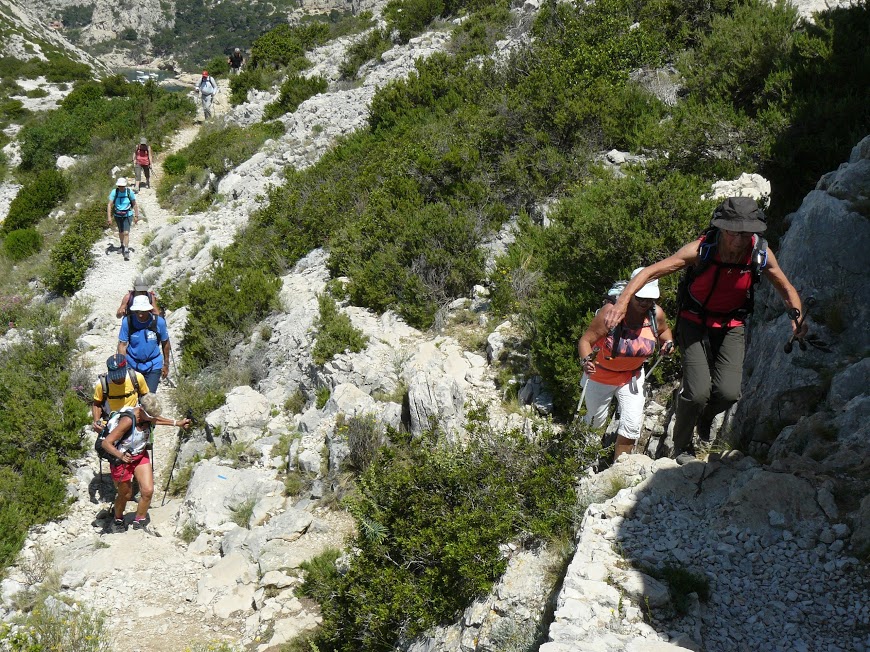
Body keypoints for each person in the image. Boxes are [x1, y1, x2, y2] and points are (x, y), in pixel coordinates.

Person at [605, 197, 807, 461]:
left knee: (729, 393)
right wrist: (622, 301)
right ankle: (682, 445)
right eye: (732, 233)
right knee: (697, 392)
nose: (737, 241)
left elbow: (785, 286)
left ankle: (706, 417)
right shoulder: (702, 250)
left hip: (732, 324)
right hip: (694, 322)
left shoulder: (760, 253)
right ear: (722, 229)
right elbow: (650, 272)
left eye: (745, 234)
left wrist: (797, 316)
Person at [578, 269, 674, 460]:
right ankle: (582, 464)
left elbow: (664, 332)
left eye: (650, 299)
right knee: (595, 423)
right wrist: (586, 361)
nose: (645, 303)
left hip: (632, 377)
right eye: (641, 298)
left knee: (631, 425)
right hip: (600, 377)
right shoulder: (610, 314)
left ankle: (619, 469)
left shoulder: (655, 315)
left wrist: (668, 344)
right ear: (630, 293)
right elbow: (585, 341)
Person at [101, 394, 191, 533]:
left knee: (148, 490)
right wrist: (121, 455)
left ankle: (140, 519)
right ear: (141, 409)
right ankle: (118, 518)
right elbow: (106, 443)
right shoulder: (127, 421)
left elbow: (156, 419)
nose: (152, 419)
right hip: (122, 461)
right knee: (125, 494)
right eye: (149, 416)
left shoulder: (148, 416)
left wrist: (177, 423)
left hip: (140, 455)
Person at [118, 295, 172, 393]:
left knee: (148, 398)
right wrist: (123, 365)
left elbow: (166, 343)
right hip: (132, 364)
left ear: (149, 310)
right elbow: (122, 344)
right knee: (133, 396)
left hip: (153, 364)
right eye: (137, 311)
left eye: (143, 311)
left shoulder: (159, 322)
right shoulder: (128, 322)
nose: (140, 315)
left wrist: (166, 364)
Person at [91, 354, 149, 432]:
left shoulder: (137, 378)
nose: (118, 380)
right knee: (102, 444)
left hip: (135, 420)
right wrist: (97, 422)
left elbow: (146, 397)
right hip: (111, 423)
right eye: (115, 377)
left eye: (120, 376)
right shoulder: (102, 384)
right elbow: (96, 404)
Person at [106, 177, 138, 261]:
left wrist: (136, 216)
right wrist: (109, 217)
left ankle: (126, 250)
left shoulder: (129, 192)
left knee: (126, 232)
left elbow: (134, 204)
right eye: (120, 186)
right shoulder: (114, 192)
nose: (121, 187)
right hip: (118, 215)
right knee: (120, 231)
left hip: (128, 214)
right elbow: (109, 204)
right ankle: (121, 245)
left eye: (122, 186)